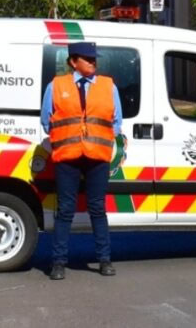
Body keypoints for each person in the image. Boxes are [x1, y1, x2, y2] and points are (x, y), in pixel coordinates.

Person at [40, 41, 124, 280]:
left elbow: (117, 121)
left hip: (97, 155)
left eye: (94, 59)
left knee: (97, 208)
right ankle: (58, 262)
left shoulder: (108, 86)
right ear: (73, 61)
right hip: (67, 155)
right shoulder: (56, 86)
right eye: (88, 59)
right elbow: (46, 120)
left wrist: (101, 136)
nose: (93, 62)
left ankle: (105, 260)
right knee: (65, 209)